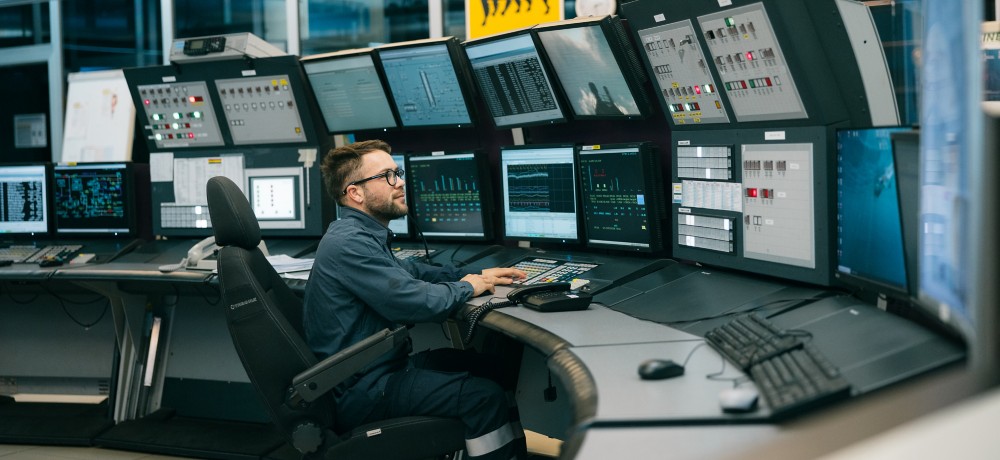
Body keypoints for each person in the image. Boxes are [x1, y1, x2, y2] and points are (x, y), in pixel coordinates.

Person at [303, 139, 528, 459]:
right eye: (388, 176)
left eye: (398, 172)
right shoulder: (349, 243)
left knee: (491, 368)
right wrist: (468, 287)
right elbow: (415, 302)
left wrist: (480, 272)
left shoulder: (361, 235)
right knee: (483, 396)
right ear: (355, 193)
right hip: (364, 389)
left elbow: (412, 272)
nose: (401, 182)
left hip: (378, 372)